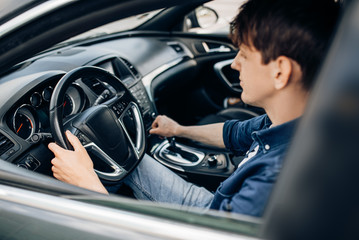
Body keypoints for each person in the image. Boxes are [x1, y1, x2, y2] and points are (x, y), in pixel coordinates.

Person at [48, 0, 339, 217]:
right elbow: (232, 133)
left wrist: (87, 184)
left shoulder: (275, 181)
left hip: (207, 225)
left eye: (245, 54)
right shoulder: (291, 122)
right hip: (217, 209)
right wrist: (178, 129)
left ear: (280, 72)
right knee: (125, 154)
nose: (235, 63)